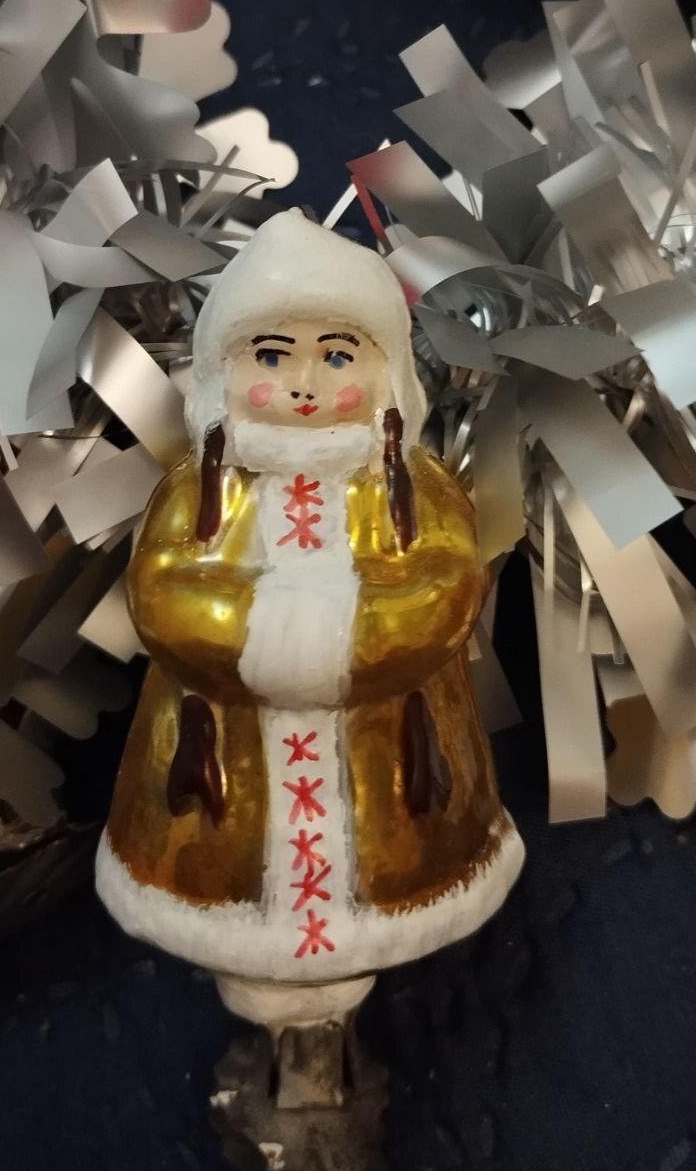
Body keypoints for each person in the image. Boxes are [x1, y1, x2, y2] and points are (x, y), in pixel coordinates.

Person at [96, 209, 523, 1033]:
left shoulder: (414, 488)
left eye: (336, 355)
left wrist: (336, 634)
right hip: (220, 773)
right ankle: (272, 1004)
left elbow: (443, 588)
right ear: (224, 370)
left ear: (385, 368)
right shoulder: (201, 491)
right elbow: (162, 593)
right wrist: (268, 634)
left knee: (372, 898)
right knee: (237, 906)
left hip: (392, 762)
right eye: (270, 355)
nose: (304, 385)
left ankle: (336, 1006)